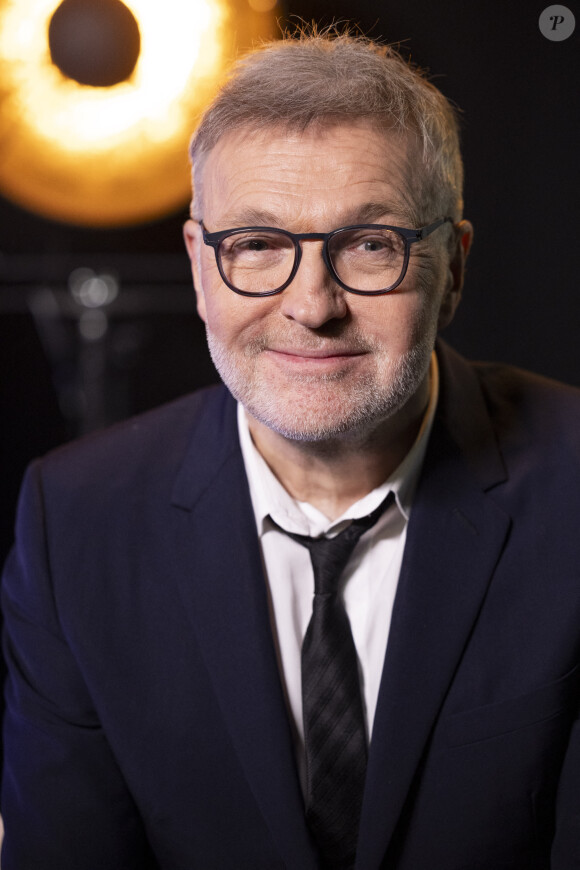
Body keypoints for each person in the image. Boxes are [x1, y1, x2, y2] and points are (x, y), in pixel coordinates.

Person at [2, 30, 579, 870]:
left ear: (452, 269)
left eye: (370, 244)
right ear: (202, 268)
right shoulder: (78, 523)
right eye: (260, 245)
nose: (312, 305)